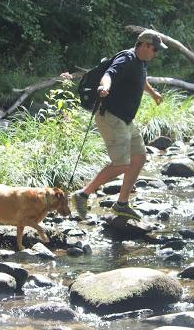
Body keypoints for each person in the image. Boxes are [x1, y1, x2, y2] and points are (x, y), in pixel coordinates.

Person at [71, 29, 167, 220]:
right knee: (122, 164)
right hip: (111, 117)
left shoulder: (140, 62)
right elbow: (109, 74)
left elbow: (141, 79)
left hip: (126, 119)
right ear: (145, 45)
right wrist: (104, 86)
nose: (156, 54)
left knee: (139, 157)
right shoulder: (127, 58)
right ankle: (82, 195)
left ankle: (122, 204)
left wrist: (153, 93)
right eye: (155, 49)